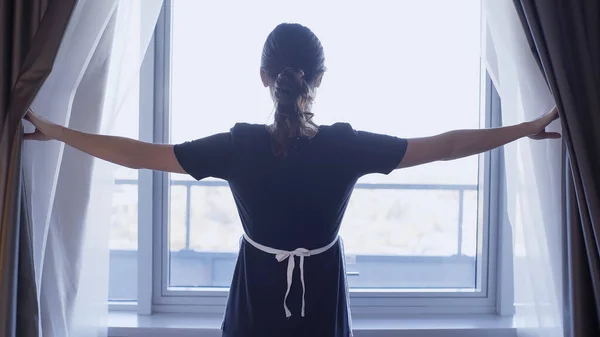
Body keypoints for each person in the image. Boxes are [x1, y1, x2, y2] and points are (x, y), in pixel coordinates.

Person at [24, 23, 560, 337]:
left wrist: (56, 129)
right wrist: (526, 126)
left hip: (256, 296)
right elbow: (446, 146)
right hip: (322, 296)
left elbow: (137, 156)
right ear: (320, 79)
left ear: (264, 77)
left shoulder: (239, 144)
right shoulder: (343, 144)